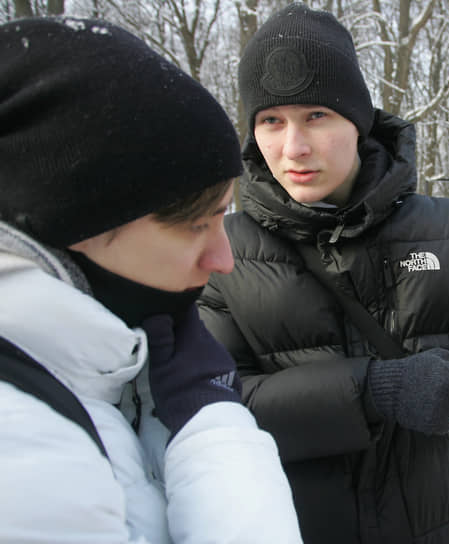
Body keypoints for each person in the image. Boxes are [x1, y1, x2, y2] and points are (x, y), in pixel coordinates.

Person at [197, 3, 449, 542]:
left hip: (435, 522)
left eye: (316, 115)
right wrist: (374, 390)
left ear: (357, 121)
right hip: (292, 527)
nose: (293, 147)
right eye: (271, 120)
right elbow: (217, 410)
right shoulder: (222, 250)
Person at [0, 17, 301, 542]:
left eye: (222, 219)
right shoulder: (23, 447)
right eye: (193, 225)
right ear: (71, 222)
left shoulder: (106, 377)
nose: (223, 259)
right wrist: (212, 424)